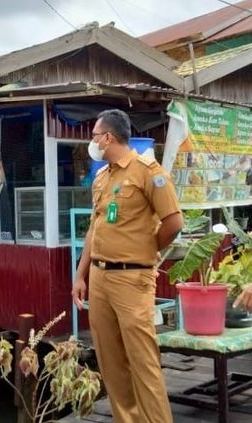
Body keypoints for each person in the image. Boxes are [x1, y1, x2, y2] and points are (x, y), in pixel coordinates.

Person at [71, 109, 183, 423]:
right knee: (110, 362)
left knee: (142, 362)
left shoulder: (148, 171)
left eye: (94, 135)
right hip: (100, 277)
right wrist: (81, 275)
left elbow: (174, 222)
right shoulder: (102, 176)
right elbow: (94, 228)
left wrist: (146, 249)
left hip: (132, 279)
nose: (92, 141)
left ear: (107, 137)